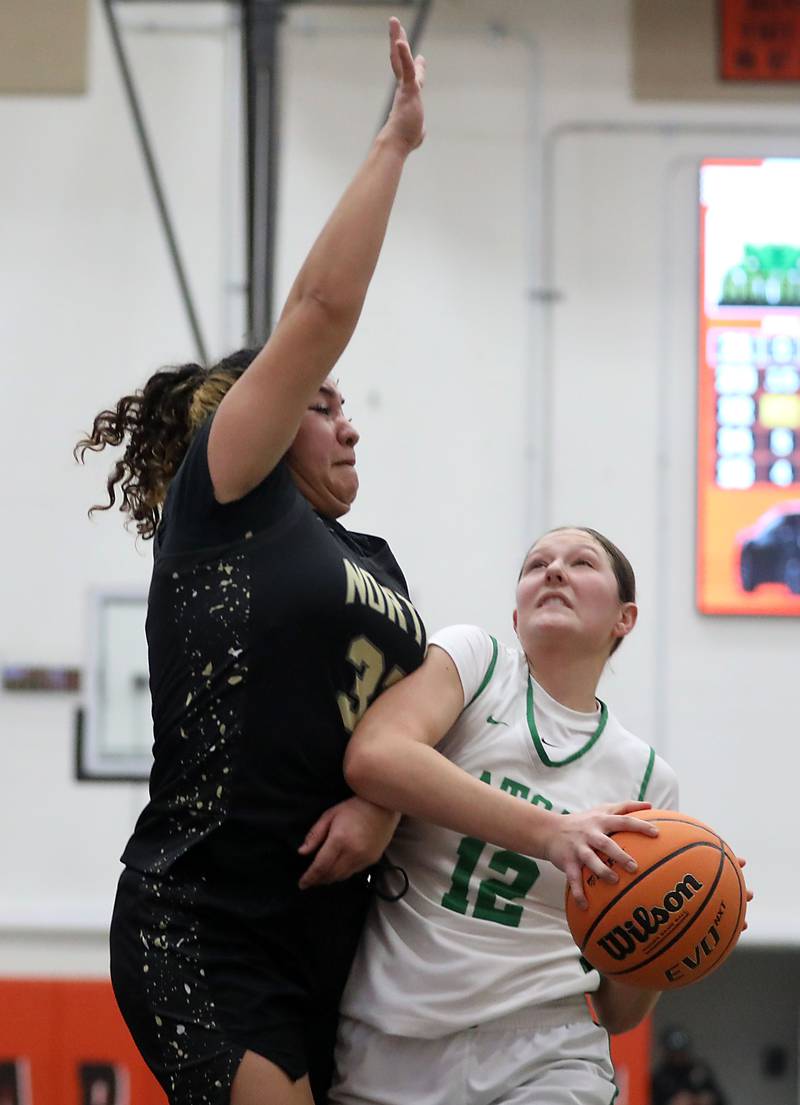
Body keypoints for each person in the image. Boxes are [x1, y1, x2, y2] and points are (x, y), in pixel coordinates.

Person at [76, 28, 666, 1105]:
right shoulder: (228, 502)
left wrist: (385, 810)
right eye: (322, 403)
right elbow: (318, 313)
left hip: (338, 937)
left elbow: (397, 742)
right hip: (207, 912)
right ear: (254, 419)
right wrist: (394, 144)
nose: (348, 427)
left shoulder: (378, 564)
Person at [329, 526, 681, 1105]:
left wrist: (674, 939)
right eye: (537, 564)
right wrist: (552, 833)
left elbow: (619, 1011)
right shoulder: (477, 663)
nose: (555, 571)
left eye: (582, 563)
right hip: (393, 1036)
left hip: (549, 1046)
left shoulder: (647, 780)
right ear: (516, 618)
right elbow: (376, 755)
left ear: (625, 618)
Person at [651, 1027, 729, 1105]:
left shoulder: (700, 1070)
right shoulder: (660, 1077)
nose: (679, 1057)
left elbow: (719, 1097)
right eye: (674, 1054)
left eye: (682, 1052)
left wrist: (705, 1099)